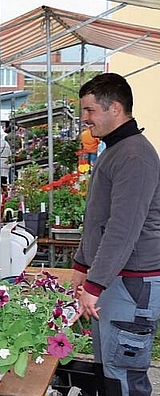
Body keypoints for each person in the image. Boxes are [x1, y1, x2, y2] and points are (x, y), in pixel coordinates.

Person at [71, 73, 160, 396]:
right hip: (116, 279)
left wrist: (95, 283)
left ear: (116, 108)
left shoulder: (134, 156)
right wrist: (83, 266)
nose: (85, 119)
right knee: (109, 369)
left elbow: (123, 229)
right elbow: (98, 218)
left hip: (132, 282)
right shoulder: (117, 149)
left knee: (124, 376)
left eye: (90, 110)